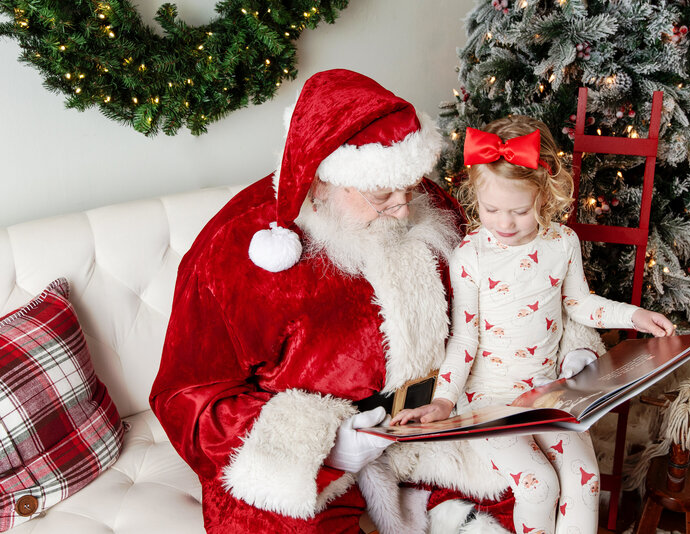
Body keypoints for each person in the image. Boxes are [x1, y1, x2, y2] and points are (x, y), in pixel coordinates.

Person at [149, 69, 521, 534]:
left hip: (433, 424)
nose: (405, 210)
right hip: (312, 455)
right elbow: (186, 399)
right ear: (321, 181)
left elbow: (487, 303)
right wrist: (328, 445)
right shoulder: (235, 249)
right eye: (382, 195)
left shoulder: (430, 205)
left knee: (524, 491)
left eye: (410, 188)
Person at [391, 116, 675, 534]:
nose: (504, 223)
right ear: (475, 196)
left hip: (548, 393)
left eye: (519, 211)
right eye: (491, 210)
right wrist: (445, 401)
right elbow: (464, 336)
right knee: (537, 485)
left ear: (545, 192)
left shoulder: (562, 243)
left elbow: (579, 304)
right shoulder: (470, 255)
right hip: (489, 401)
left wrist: (633, 315)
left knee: (585, 481)